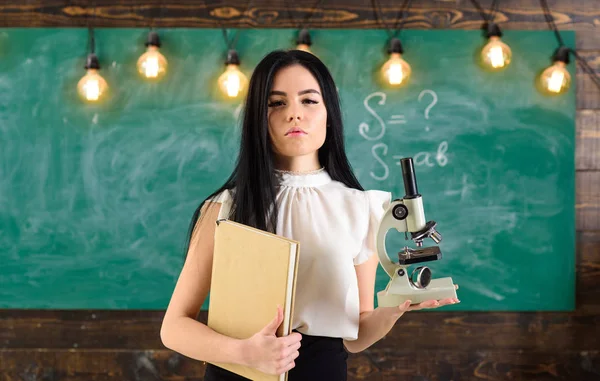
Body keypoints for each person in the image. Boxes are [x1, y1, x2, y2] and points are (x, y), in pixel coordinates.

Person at [160, 49, 459, 381]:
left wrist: (396, 308)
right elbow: (174, 328)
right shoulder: (226, 207)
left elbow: (357, 335)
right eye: (277, 103)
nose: (294, 114)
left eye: (309, 101)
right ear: (258, 118)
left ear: (329, 113)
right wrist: (246, 353)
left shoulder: (361, 208)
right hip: (237, 370)